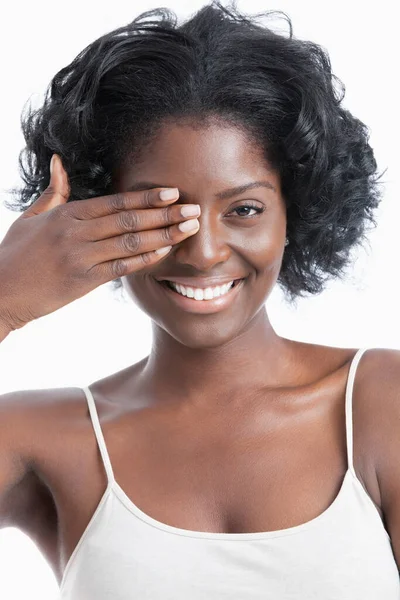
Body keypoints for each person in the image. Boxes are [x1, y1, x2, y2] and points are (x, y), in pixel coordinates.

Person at [0, 1, 399, 598]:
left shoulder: (381, 403)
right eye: (161, 212)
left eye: (244, 210)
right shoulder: (42, 437)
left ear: (299, 211)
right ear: (95, 216)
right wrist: (4, 299)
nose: (205, 251)